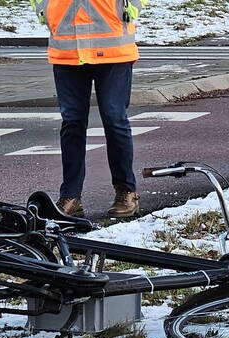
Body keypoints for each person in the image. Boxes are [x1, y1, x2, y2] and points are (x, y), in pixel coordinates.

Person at [32, 0, 145, 219]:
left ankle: (126, 191)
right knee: (72, 122)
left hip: (113, 44)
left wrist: (129, 8)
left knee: (114, 119)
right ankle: (71, 196)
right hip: (68, 46)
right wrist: (44, 10)